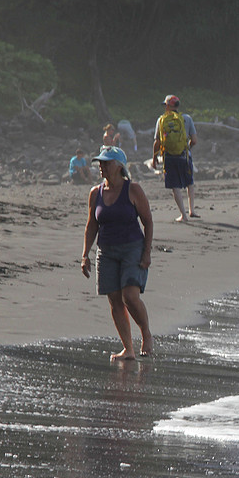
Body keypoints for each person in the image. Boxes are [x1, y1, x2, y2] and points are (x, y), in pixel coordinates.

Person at [80, 145, 155, 361]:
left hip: (132, 248)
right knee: (114, 301)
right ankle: (128, 349)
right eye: (100, 163)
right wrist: (85, 255)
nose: (102, 167)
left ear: (119, 166)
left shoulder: (133, 190)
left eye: (107, 163)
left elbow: (148, 221)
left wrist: (147, 252)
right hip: (106, 251)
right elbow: (91, 225)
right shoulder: (96, 193)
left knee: (130, 297)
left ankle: (146, 333)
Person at [151, 94, 198, 222]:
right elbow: (194, 140)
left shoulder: (161, 120)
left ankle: (183, 215)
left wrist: (154, 159)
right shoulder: (187, 118)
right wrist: (187, 148)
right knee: (189, 182)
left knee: (175, 186)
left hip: (169, 157)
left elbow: (157, 143)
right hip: (185, 156)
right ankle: (192, 210)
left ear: (167, 106)